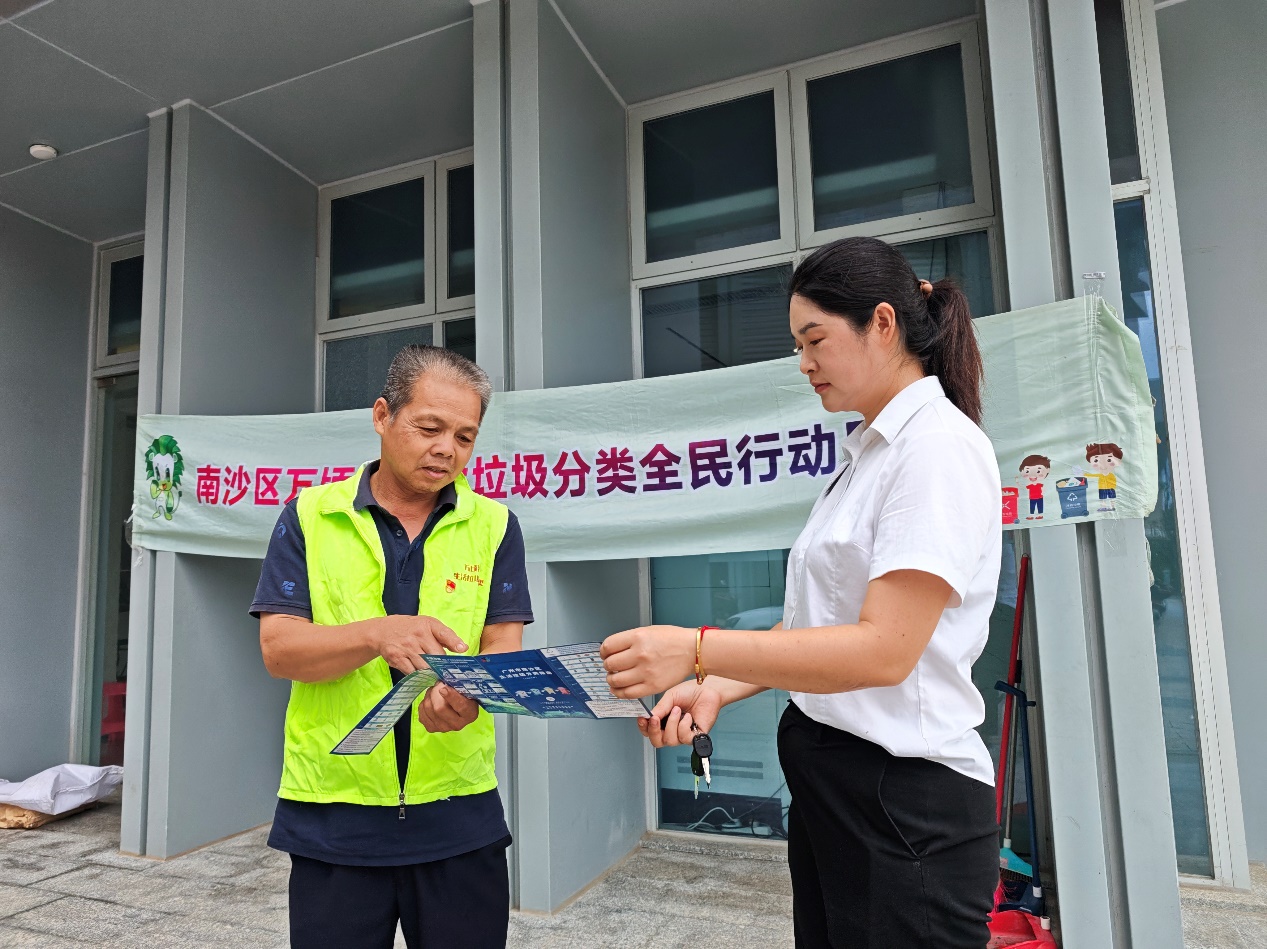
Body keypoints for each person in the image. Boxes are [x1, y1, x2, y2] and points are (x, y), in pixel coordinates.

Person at [602, 237, 1002, 948]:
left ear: (882, 324)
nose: (804, 363)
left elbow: (883, 652)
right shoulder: (867, 456)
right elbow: (813, 628)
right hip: (836, 788)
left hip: (902, 802)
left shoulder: (934, 447)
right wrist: (715, 686)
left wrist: (695, 648)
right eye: (798, 346)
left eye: (815, 340)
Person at [251, 346, 532, 949]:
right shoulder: (310, 515)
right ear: (382, 415)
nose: (447, 450)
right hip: (335, 812)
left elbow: (502, 650)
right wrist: (377, 633)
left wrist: (472, 696)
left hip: (459, 812)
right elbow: (280, 650)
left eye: (465, 437)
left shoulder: (495, 525)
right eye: (429, 428)